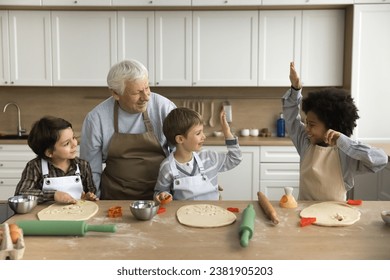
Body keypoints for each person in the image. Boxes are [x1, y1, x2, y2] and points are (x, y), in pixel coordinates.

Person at [283, 62, 388, 201]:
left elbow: (380, 160)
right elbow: (291, 119)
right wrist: (295, 89)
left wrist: (344, 142)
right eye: (306, 123)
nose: (306, 128)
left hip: (337, 215)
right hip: (304, 214)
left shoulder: (347, 153)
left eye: (312, 124)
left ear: (331, 126)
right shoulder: (305, 142)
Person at [80, 59, 176, 200]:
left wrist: (197, 183)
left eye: (147, 88)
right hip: (114, 197)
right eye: (137, 93)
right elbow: (91, 171)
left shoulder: (164, 108)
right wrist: (97, 203)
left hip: (161, 195)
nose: (146, 97)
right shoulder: (96, 119)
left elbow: (182, 153)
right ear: (115, 94)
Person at [154, 107, 242, 202]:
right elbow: (160, 191)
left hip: (213, 212)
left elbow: (235, 158)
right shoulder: (167, 167)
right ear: (180, 139)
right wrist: (162, 195)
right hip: (184, 214)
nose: (203, 136)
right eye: (198, 133)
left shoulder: (209, 157)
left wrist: (227, 132)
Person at [15, 116, 98, 204]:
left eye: (73, 138)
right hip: (45, 216)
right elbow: (21, 194)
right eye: (66, 143)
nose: (74, 144)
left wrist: (88, 197)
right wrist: (53, 195)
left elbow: (91, 191)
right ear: (49, 152)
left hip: (78, 214)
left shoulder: (83, 165)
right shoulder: (35, 166)